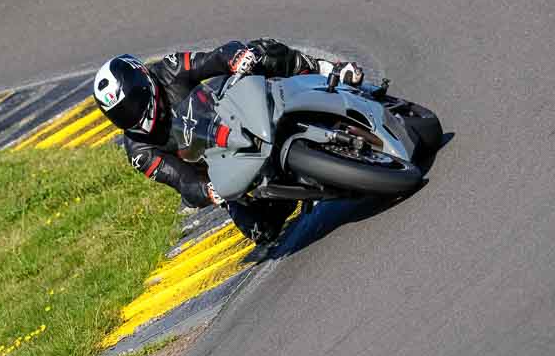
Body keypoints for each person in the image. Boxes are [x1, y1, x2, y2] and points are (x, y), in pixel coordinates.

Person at [92, 39, 363, 242]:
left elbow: (213, 58)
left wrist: (236, 57)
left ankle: (327, 71)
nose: (135, 115)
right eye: (122, 115)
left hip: (239, 108)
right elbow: (181, 180)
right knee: (260, 230)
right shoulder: (139, 151)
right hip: (225, 167)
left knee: (261, 52)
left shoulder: (169, 69)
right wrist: (207, 191)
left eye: (134, 103)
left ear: (143, 80)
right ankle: (303, 186)